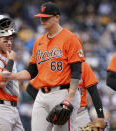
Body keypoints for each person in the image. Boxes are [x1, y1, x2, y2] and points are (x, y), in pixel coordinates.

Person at [11, 2, 85, 131]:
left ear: (57, 17)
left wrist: (70, 98)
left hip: (63, 93)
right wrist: (12, 76)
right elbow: (31, 71)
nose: (42, 20)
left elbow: (76, 71)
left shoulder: (70, 38)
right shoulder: (39, 41)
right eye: (41, 17)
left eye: (46, 17)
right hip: (41, 95)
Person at [75, 62, 105, 130]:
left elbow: (94, 92)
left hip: (80, 114)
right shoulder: (57, 65)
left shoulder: (83, 65)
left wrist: (100, 115)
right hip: (62, 114)